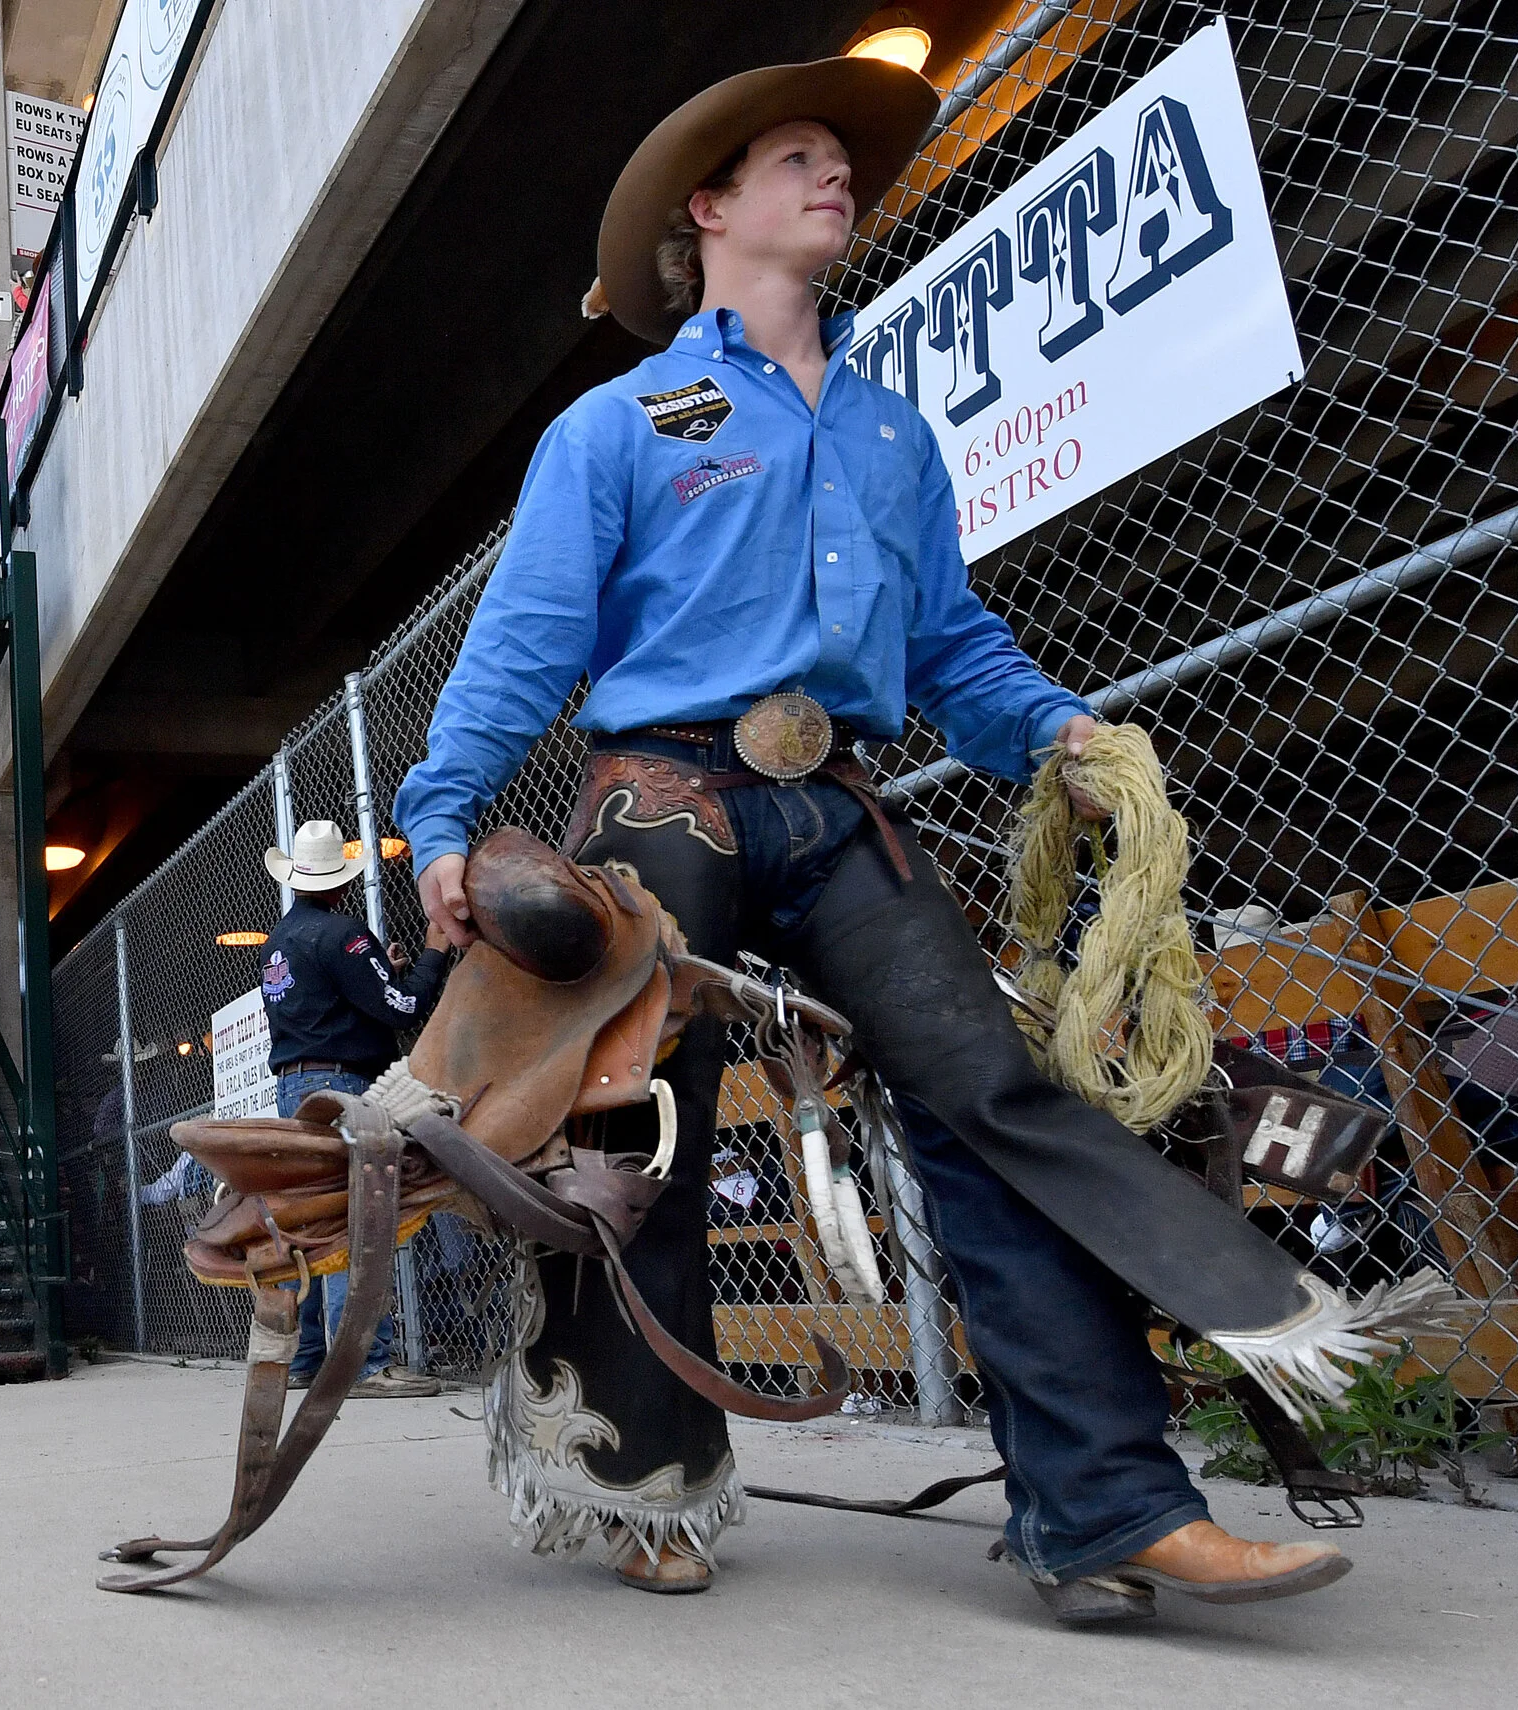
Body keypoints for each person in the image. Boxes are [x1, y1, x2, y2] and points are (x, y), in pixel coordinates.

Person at [392, 56, 1350, 1618]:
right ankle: (646, 1476)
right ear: (710, 211)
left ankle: (1104, 1501)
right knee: (643, 1126)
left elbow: (951, 648)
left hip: (841, 806)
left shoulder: (899, 437)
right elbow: (525, 646)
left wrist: (1055, 734)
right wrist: (441, 815)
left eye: (842, 163)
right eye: (796, 158)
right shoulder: (619, 422)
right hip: (663, 796)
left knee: (993, 1093)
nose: (836, 176)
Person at [259, 818, 452, 1399]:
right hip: (348, 1087)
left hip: (297, 1088)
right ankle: (364, 1362)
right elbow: (403, 1007)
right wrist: (433, 953)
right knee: (357, 1219)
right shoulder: (344, 935)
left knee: (316, 1218)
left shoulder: (279, 941)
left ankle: (309, 1357)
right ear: (342, 882)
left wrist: (378, 971)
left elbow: (335, 1001)